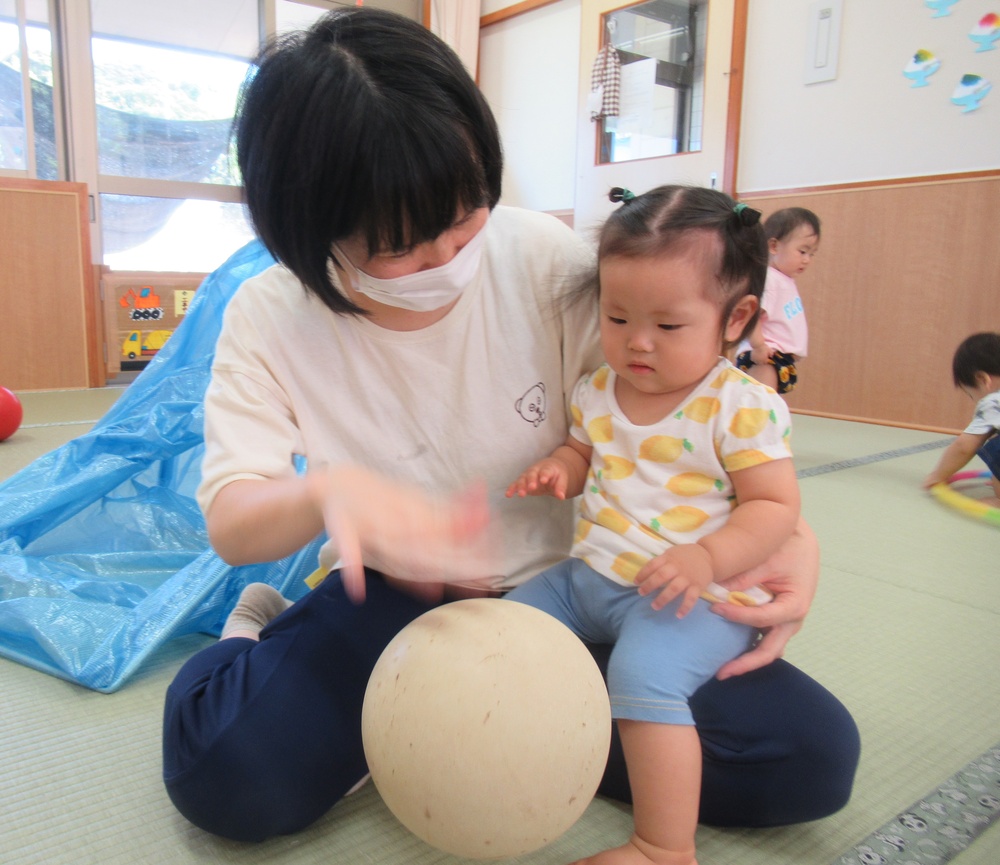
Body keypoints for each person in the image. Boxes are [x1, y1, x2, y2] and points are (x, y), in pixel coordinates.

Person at [160, 6, 860, 845]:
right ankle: (258, 636)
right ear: (312, 230)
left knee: (810, 757)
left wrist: (791, 538)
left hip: (576, 596)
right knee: (225, 775)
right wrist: (330, 492)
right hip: (392, 598)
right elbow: (234, 521)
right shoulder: (269, 314)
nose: (449, 255)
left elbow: (693, 421)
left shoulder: (550, 262)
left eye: (466, 211)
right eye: (402, 247)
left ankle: (461, 734)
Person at [505, 186, 801, 865]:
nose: (637, 342)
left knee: (643, 679)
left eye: (668, 326)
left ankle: (663, 845)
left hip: (687, 595)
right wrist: (561, 466)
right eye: (616, 316)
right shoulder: (598, 388)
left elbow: (775, 507)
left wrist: (706, 558)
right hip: (590, 577)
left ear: (737, 318)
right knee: (509, 626)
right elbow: (586, 451)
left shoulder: (738, 405)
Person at [735, 207, 820, 394]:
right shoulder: (771, 279)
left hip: (776, 356)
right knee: (760, 406)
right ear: (773, 246)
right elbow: (752, 316)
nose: (807, 260)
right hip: (764, 356)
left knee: (768, 406)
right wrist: (758, 346)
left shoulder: (784, 280)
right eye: (802, 251)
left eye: (812, 254)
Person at [923, 331, 1000, 500]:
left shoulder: (993, 401)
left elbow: (964, 447)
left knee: (995, 443)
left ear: (982, 379)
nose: (974, 401)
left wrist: (938, 475)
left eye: (971, 395)